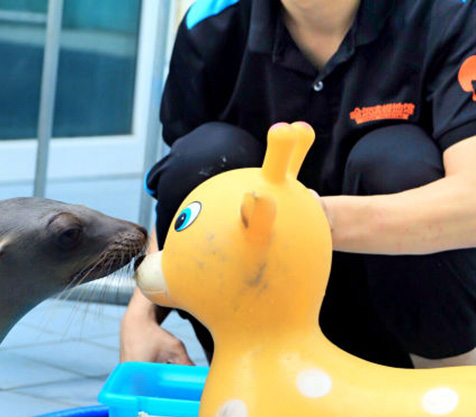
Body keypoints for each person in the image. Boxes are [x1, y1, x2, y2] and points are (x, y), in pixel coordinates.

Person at [120, 0, 476, 371]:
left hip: (406, 326)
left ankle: (448, 393)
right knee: (205, 158)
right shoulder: (210, 24)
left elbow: (471, 204)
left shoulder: (450, 14)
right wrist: (140, 317)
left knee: (393, 162)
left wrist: (308, 220)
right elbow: (187, 204)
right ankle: (246, 381)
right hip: (264, 323)